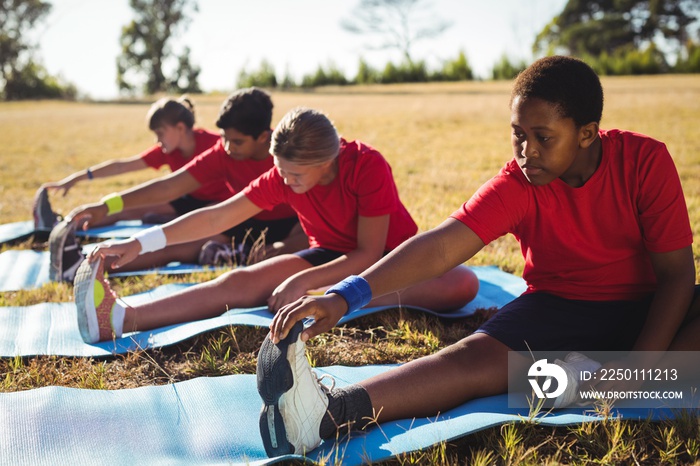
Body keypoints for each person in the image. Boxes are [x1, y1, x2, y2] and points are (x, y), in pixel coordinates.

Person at [255, 55, 700, 457]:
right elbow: (442, 245)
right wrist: (344, 296)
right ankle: (326, 415)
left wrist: (640, 369)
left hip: (651, 306)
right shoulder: (519, 184)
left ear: (586, 134)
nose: (528, 151)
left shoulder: (644, 160)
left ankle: (603, 378)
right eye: (518, 135)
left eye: (543, 137)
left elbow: (677, 277)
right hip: (559, 307)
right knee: (469, 360)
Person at [72, 107, 479, 345]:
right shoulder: (282, 176)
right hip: (329, 255)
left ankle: (327, 299)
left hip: (388, 259)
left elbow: (369, 254)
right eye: (280, 171)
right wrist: (139, 244)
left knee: (462, 285)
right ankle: (121, 319)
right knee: (238, 283)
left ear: (327, 161)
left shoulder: (366, 166)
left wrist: (309, 285)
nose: (284, 182)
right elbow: (218, 216)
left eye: (295, 175)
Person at [48, 88, 304, 281]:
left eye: (236, 142)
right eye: (224, 138)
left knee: (284, 254)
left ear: (263, 137)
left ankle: (237, 254)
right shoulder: (222, 153)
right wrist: (107, 206)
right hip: (249, 219)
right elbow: (168, 187)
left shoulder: (288, 154)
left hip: (296, 225)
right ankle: (82, 267)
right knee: (177, 244)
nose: (227, 147)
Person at [41, 96, 221, 226]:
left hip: (220, 205)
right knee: (122, 210)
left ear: (180, 128)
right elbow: (122, 166)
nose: (157, 140)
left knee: (202, 219)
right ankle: (63, 226)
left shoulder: (216, 144)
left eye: (160, 133)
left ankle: (171, 220)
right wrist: (76, 178)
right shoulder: (167, 151)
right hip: (189, 199)